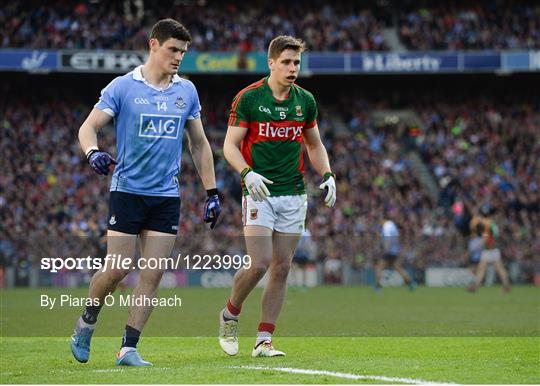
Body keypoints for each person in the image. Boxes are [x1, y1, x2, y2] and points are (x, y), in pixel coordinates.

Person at [70, 19, 221, 367]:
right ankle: (87, 321)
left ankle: (128, 348)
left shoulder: (187, 91)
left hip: (167, 196)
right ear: (154, 45)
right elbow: (88, 127)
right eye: (173, 50)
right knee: (118, 270)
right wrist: (92, 152)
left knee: (152, 274)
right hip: (127, 191)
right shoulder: (123, 87)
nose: (179, 57)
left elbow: (198, 144)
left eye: (183, 52)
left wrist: (211, 191)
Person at [218, 35, 336, 357]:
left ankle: (263, 340)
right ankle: (230, 314)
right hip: (259, 190)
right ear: (271, 63)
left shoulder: (305, 101)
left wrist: (327, 175)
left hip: (294, 194)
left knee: (282, 268)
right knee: (259, 264)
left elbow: (313, 144)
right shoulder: (250, 98)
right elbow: (229, 145)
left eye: (296, 62)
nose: (292, 67)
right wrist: (246, 172)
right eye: (286, 61)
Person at [467, 209, 511, 293]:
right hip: (494, 248)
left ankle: (475, 286)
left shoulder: (486, 223)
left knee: (483, 269)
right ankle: (506, 285)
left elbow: (485, 236)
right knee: (498, 268)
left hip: (488, 249)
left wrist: (478, 245)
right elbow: (495, 235)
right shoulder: (492, 223)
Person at [374, 211, 416, 292]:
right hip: (394, 251)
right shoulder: (392, 225)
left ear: (383, 220)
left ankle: (378, 287)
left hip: (389, 251)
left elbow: (388, 239)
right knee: (398, 268)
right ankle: (411, 283)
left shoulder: (387, 226)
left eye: (380, 221)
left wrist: (386, 249)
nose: (379, 223)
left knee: (379, 268)